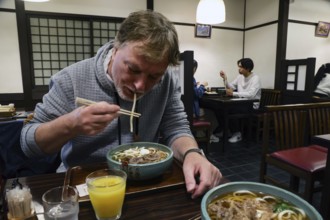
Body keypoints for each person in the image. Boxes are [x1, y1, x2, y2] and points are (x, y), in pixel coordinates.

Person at [20, 10, 222, 199]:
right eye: (133, 69)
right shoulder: (71, 80)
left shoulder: (167, 81)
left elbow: (176, 128)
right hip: (84, 186)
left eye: (154, 76)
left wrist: (192, 154)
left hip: (147, 183)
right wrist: (71, 124)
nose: (141, 86)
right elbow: (29, 144)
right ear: (116, 49)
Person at [210, 58, 261, 143]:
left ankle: (237, 134)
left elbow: (251, 94)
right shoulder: (240, 77)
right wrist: (225, 79)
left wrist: (234, 94)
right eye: (239, 67)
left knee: (230, 109)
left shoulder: (255, 78)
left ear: (247, 68)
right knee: (218, 108)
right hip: (240, 103)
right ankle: (226, 130)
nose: (239, 69)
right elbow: (231, 87)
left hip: (251, 105)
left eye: (241, 67)